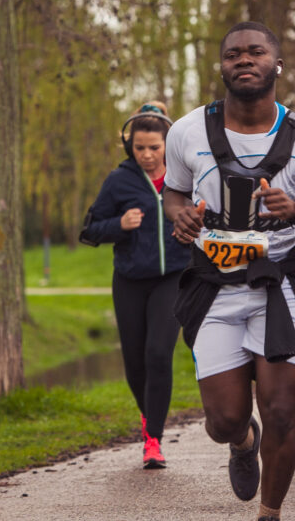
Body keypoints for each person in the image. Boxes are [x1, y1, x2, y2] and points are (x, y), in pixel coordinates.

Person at [163, 21, 295, 521]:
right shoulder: (187, 131)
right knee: (223, 420)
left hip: (280, 284)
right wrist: (178, 214)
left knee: (282, 411)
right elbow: (173, 191)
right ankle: (242, 441)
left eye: (256, 52)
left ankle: (270, 513)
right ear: (221, 67)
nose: (244, 59)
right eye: (234, 54)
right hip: (214, 287)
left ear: (277, 64)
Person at [79, 101, 190, 469]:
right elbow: (89, 231)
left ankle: (153, 439)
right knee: (134, 363)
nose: (146, 154)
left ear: (167, 145)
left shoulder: (183, 176)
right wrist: (118, 225)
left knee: (159, 353)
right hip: (129, 280)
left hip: (173, 276)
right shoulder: (118, 180)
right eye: (139, 147)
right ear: (130, 146)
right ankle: (149, 420)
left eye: (154, 148)